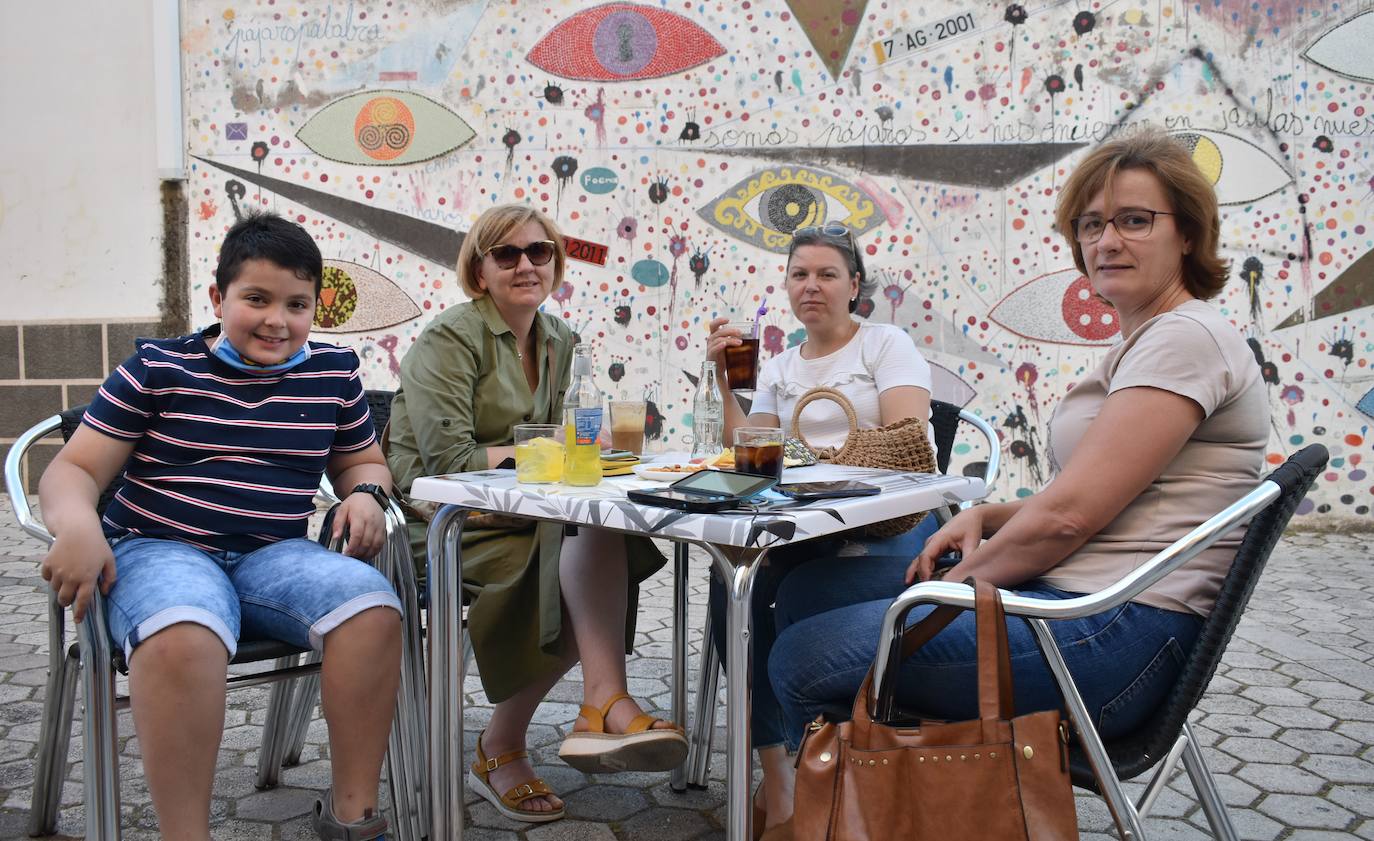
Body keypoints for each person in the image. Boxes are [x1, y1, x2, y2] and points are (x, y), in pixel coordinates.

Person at [767, 129, 1269, 838]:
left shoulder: (1186, 339)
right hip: (1080, 605)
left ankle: (842, 810)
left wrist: (959, 583)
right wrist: (992, 513)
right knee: (806, 590)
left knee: (803, 655)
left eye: (1134, 219)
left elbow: (1069, 518)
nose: (1107, 241)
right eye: (1091, 224)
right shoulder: (1149, 337)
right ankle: (872, 796)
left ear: (1187, 232)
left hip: (1112, 636)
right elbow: (1099, 494)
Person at [38, 213, 402, 841]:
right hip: (158, 548)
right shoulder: (159, 368)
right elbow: (71, 470)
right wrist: (76, 526)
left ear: (316, 307)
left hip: (274, 552)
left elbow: (362, 461)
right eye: (255, 299)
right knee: (183, 632)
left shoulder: (334, 375)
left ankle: (351, 818)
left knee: (374, 610)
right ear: (218, 298)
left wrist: (367, 493)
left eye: (297, 304)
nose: (276, 321)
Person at [386, 203, 686, 824]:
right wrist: (553, 447)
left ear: (555, 261)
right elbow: (448, 460)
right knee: (577, 568)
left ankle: (595, 707)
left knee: (599, 533)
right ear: (480, 268)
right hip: (440, 522)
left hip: (529, 512)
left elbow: (550, 448)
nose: (526, 265)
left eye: (539, 252)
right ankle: (527, 737)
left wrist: (574, 451)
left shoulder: (557, 338)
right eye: (507, 254)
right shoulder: (450, 337)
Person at [702, 223, 941, 838]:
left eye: (827, 274)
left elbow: (908, 440)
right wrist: (731, 386)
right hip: (805, 525)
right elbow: (746, 450)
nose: (812, 286)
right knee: (737, 583)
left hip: (886, 523)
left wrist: (808, 456)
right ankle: (777, 771)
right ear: (786, 285)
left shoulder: (885, 345)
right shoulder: (778, 365)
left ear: (854, 285)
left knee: (781, 593)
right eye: (799, 274)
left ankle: (833, 756)